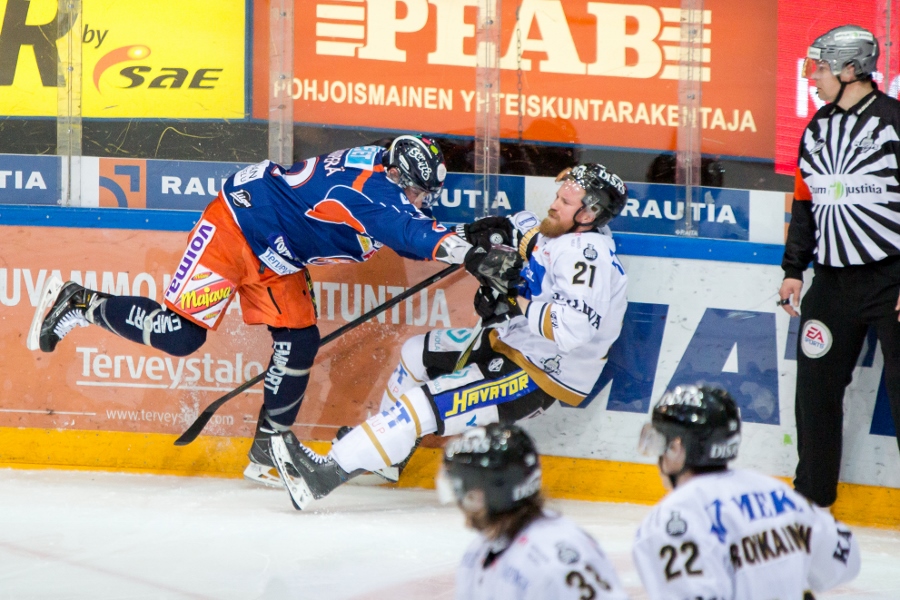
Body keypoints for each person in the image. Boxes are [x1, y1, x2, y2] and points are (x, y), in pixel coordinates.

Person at [26, 134, 497, 487]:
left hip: (278, 251)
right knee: (180, 334)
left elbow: (409, 219)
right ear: (397, 177)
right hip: (237, 226)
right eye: (418, 193)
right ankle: (79, 302)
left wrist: (470, 236)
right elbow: (411, 233)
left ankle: (268, 450)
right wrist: (469, 249)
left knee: (299, 338)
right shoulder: (370, 193)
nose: (420, 202)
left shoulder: (382, 171)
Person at [265, 163, 630, 510]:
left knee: (424, 404)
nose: (553, 204)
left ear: (588, 215)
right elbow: (522, 238)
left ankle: (322, 474)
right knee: (415, 353)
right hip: (513, 341)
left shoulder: (588, 258)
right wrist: (482, 241)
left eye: (565, 203)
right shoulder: (556, 232)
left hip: (540, 372)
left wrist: (512, 300)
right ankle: (384, 458)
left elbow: (573, 330)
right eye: (558, 196)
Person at [778, 24, 900, 508]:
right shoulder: (817, 127)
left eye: (821, 67)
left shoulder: (894, 122)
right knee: (814, 394)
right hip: (830, 284)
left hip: (891, 280)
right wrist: (793, 269)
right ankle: (810, 501)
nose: (812, 77)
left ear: (852, 70)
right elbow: (806, 204)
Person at [633, 384, 861, 600]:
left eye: (663, 443)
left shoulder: (673, 518)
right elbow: (846, 560)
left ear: (677, 449)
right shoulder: (776, 493)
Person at [437, 423, 629, 600]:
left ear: (496, 492)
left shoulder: (551, 559)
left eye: (468, 495)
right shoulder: (479, 551)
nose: (461, 505)